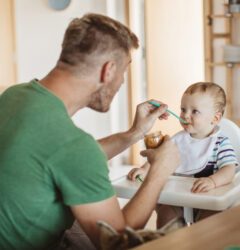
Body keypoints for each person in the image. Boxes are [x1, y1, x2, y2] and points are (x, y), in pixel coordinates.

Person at [0, 13, 180, 249]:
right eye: (124, 71)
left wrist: (135, 133)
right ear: (108, 70)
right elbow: (118, 239)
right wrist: (160, 171)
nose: (122, 82)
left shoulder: (14, 95)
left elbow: (63, 158)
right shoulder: (74, 147)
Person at [128, 82, 238, 228]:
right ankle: (171, 242)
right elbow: (160, 158)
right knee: (166, 214)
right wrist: (144, 169)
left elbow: (229, 170)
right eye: (183, 109)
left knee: (211, 221)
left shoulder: (220, 143)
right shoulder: (178, 139)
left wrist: (212, 181)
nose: (185, 115)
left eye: (195, 111)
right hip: (177, 197)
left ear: (215, 119)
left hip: (207, 198)